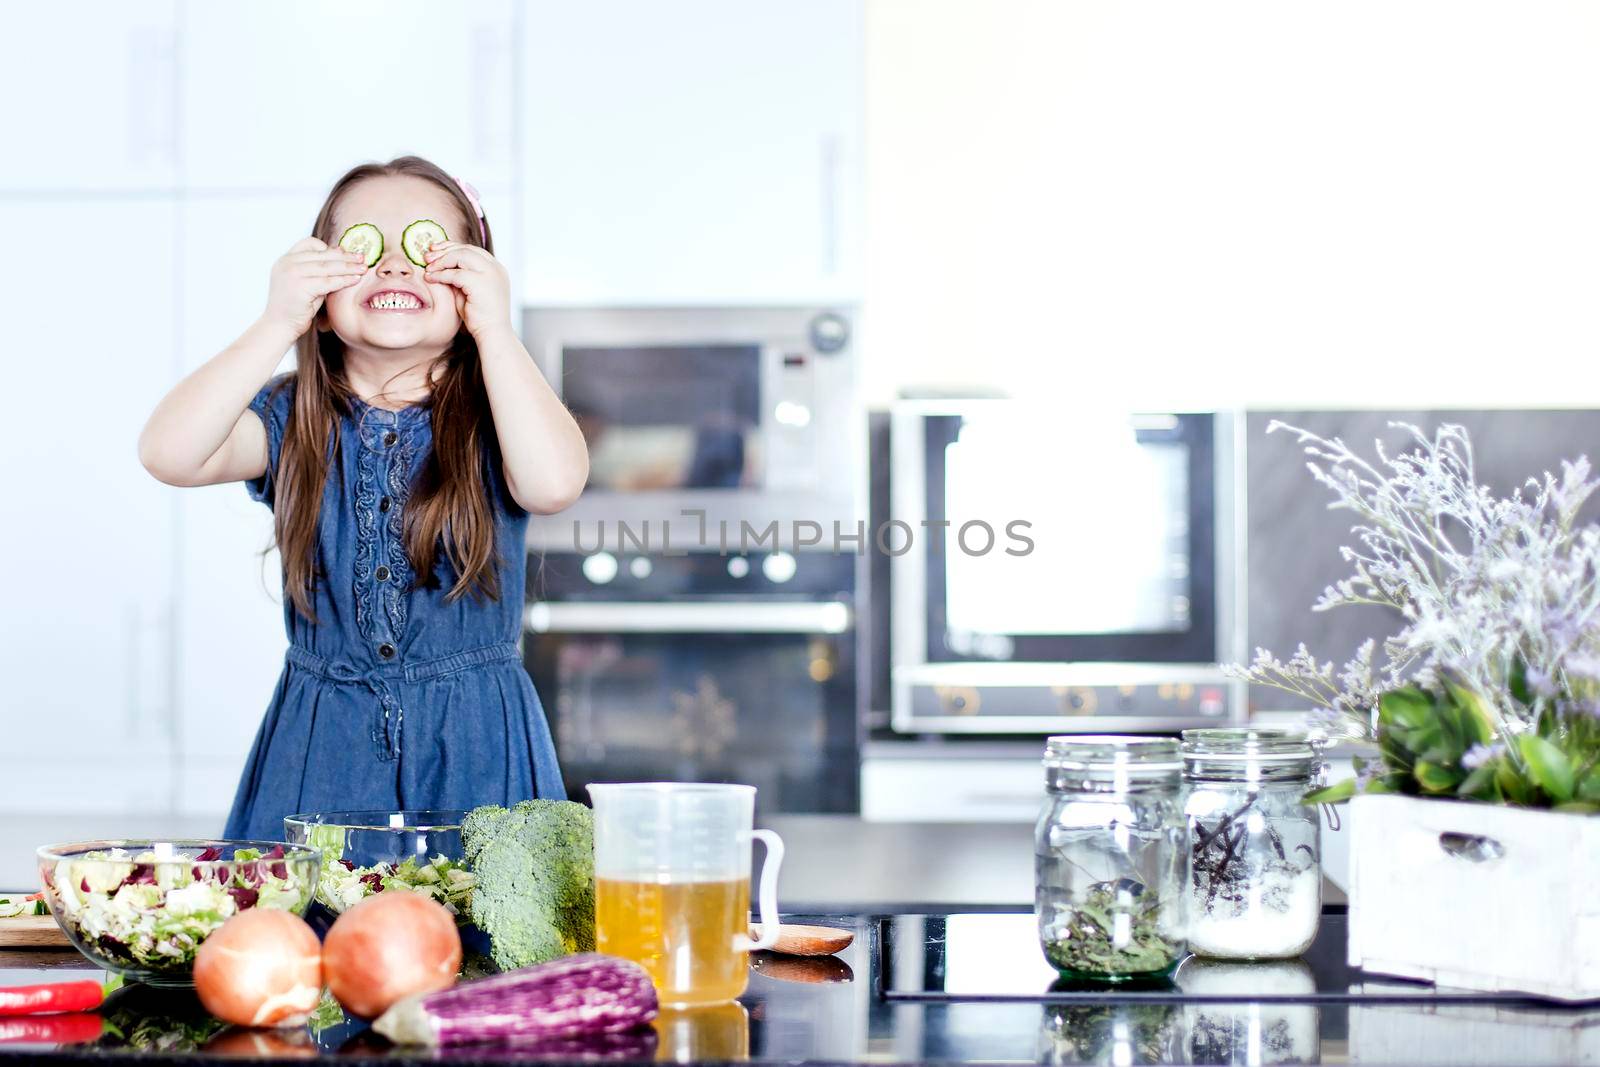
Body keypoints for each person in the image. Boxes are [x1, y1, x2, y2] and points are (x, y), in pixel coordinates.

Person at [139, 156, 587, 838]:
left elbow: (554, 481)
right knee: (301, 936)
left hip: (478, 748)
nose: (396, 265)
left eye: (428, 246)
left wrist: (497, 329)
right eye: (361, 248)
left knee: (492, 943)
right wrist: (273, 325)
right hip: (323, 745)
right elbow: (169, 451)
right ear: (318, 300)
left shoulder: (502, 410)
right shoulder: (291, 419)